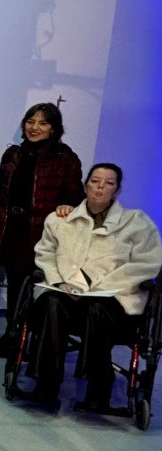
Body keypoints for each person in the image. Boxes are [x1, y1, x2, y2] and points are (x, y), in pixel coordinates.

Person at [25, 164, 162, 410]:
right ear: (86, 184)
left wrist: (103, 286)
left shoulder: (137, 222)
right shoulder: (60, 219)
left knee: (97, 308)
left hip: (113, 299)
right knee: (50, 302)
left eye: (108, 183)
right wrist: (59, 282)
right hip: (66, 293)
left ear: (117, 189)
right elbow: (45, 253)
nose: (100, 187)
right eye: (95, 181)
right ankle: (45, 386)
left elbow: (147, 263)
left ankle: (98, 393)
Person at [0, 103, 83, 356]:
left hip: (42, 234)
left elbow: (75, 198)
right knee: (15, 284)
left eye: (43, 123)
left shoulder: (65, 159)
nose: (34, 127)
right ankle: (13, 333)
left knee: (35, 286)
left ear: (53, 129)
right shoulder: (13, 154)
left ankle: (32, 337)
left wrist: (66, 207)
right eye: (30, 121)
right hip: (11, 228)